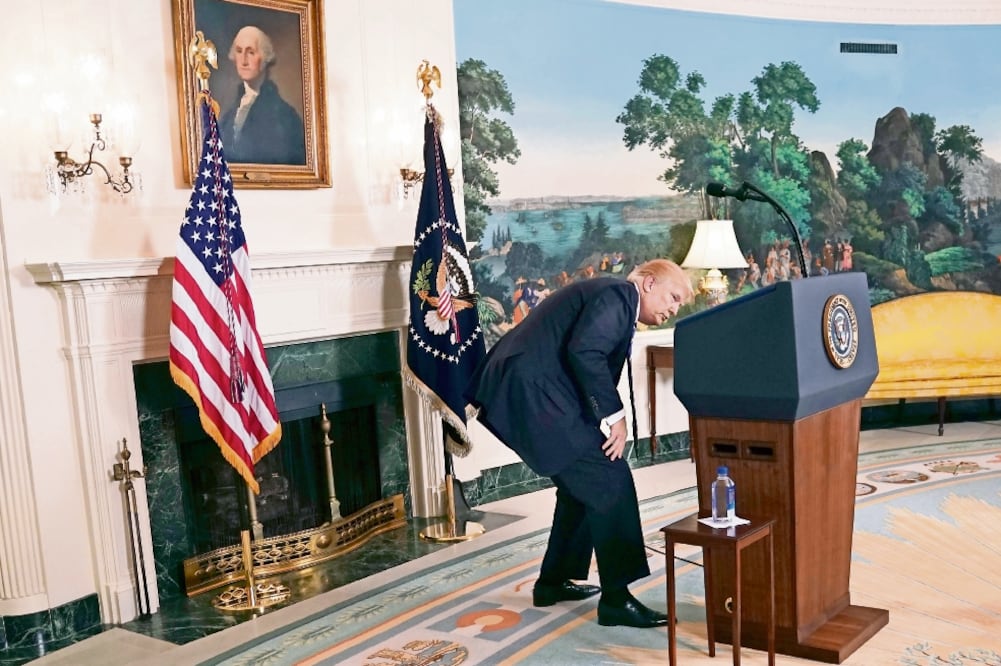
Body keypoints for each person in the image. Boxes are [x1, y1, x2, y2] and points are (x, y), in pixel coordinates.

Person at [464, 259, 694, 628]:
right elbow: (585, 351)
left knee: (581, 488)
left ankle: (552, 583)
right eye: (673, 297)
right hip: (533, 393)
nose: (674, 308)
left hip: (529, 390)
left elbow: (585, 356)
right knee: (609, 480)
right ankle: (617, 599)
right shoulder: (620, 294)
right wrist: (614, 416)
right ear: (649, 283)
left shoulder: (610, 295)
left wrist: (604, 414)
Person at [219, 25, 306, 165]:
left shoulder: (285, 117)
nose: (243, 60)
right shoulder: (228, 118)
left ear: (265, 58)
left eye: (251, 52)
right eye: (239, 51)